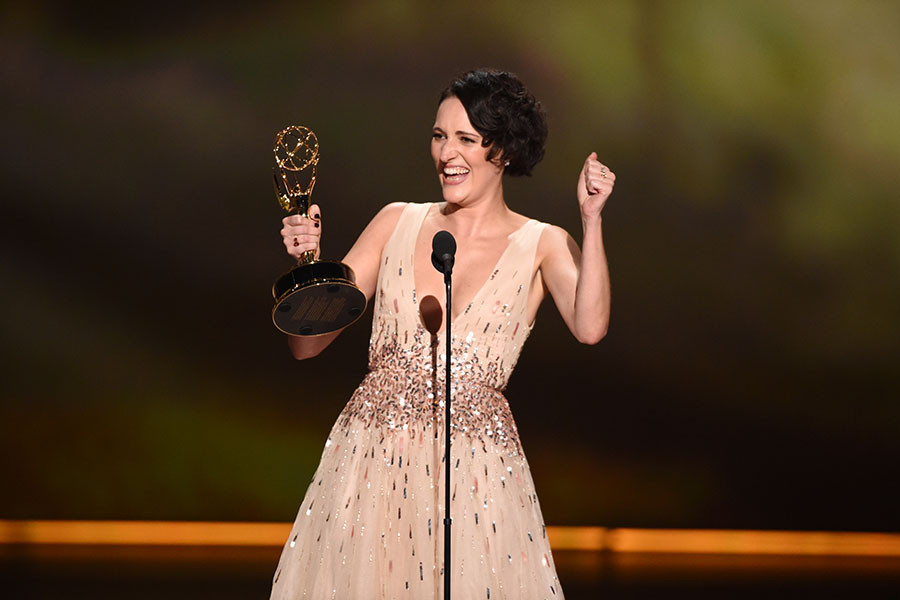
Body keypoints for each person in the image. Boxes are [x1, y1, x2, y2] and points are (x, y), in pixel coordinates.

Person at [269, 69, 614, 600]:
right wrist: (307, 266)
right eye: (438, 135)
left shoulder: (542, 244)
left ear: (502, 151)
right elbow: (306, 343)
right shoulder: (395, 221)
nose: (446, 153)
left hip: (475, 485)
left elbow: (590, 326)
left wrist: (591, 220)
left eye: (466, 139)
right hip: (372, 471)